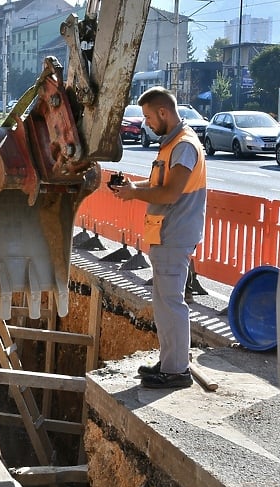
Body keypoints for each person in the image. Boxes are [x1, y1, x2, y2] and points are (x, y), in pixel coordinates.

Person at [111, 86, 207, 389]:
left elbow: (170, 192)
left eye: (149, 117)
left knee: (171, 303)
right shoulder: (171, 145)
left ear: (163, 112)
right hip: (166, 233)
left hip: (174, 234)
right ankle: (170, 362)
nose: (146, 123)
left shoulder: (184, 146)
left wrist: (135, 193)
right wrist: (132, 187)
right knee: (165, 304)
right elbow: (159, 184)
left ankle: (177, 371)